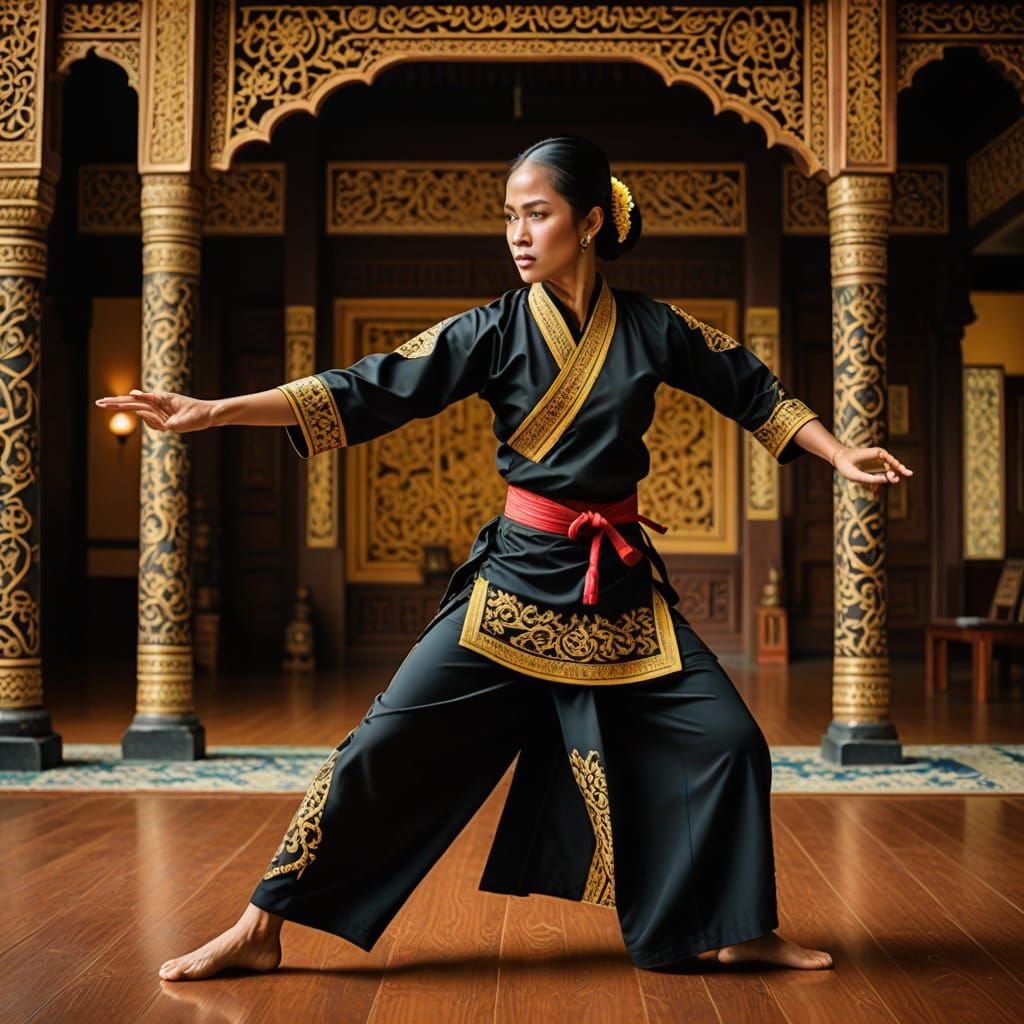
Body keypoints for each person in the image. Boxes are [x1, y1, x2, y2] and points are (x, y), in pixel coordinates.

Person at [97, 136, 911, 982]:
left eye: (538, 214)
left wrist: (837, 450)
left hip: (620, 586)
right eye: (510, 218)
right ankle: (260, 927)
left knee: (729, 740)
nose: (518, 234)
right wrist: (215, 409)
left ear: (591, 221)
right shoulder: (490, 330)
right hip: (516, 583)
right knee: (379, 748)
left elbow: (751, 386)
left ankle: (735, 924)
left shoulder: (653, 328)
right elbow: (367, 386)